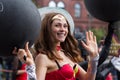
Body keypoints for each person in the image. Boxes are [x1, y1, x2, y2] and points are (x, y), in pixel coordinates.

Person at [14, 13, 99, 80]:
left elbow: (88, 78)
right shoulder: (42, 57)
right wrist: (30, 66)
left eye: (65, 26)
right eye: (57, 25)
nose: (62, 29)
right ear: (48, 29)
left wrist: (94, 58)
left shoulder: (66, 54)